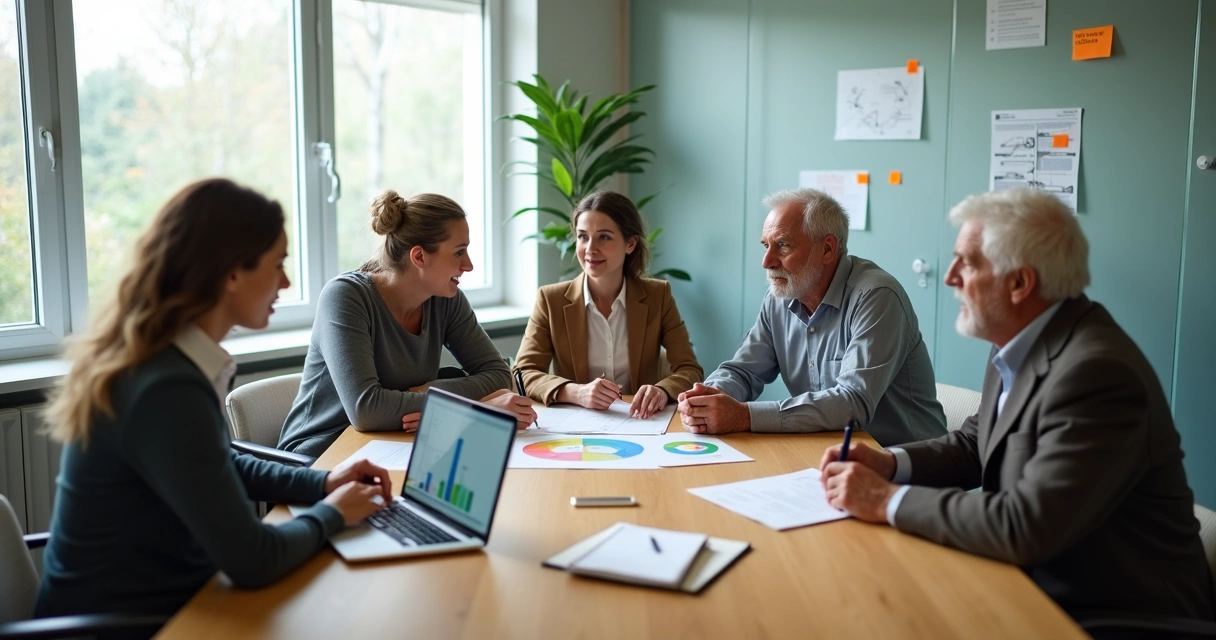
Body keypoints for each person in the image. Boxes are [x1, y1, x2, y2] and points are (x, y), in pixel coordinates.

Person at [820, 188, 1215, 621]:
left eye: (967, 263)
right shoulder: (1018, 338)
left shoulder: (1099, 373)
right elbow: (976, 444)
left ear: (1020, 283)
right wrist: (889, 464)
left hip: (1117, 616)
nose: (950, 276)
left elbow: (1026, 525)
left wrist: (885, 500)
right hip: (1029, 582)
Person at [35, 179, 391, 625]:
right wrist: (332, 514)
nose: (287, 281)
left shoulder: (164, 362)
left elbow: (217, 462)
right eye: (278, 264)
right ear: (232, 274)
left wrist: (322, 483)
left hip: (170, 602)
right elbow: (254, 560)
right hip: (131, 626)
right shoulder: (166, 387)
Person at [678, 188, 946, 445]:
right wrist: (707, 396)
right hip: (828, 451)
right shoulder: (779, 298)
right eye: (765, 246)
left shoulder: (877, 296)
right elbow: (743, 372)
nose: (767, 261)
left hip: (906, 461)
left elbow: (853, 403)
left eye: (782, 245)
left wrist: (743, 416)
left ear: (827, 249)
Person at [278, 191, 530, 457]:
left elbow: (499, 376)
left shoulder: (445, 299)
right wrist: (472, 410)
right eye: (459, 252)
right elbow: (366, 410)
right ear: (419, 257)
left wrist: (430, 391)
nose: (468, 265)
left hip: (394, 447)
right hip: (316, 457)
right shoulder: (345, 297)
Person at [513, 190, 703, 418]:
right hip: (576, 426)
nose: (590, 249)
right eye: (583, 236)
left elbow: (690, 370)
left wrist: (662, 390)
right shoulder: (550, 299)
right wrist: (576, 392)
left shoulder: (657, 295)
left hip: (641, 423)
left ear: (630, 243)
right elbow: (523, 373)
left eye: (604, 237)